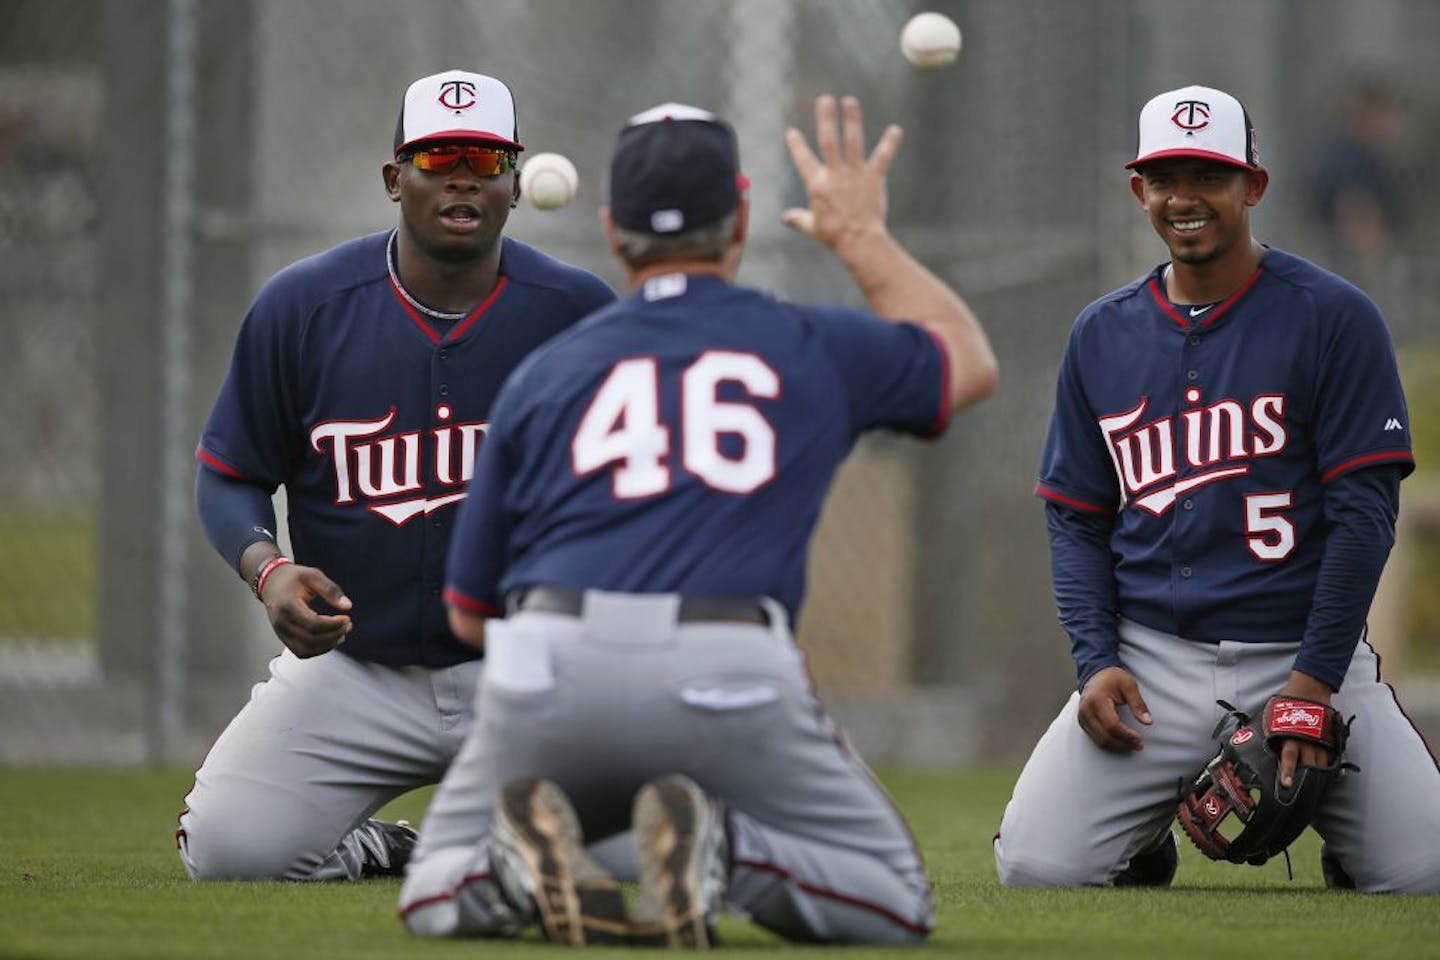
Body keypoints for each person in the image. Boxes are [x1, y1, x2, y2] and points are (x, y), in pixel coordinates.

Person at [397, 96, 997, 946]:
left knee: (430, 894)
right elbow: (967, 361)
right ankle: (729, 852)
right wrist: (859, 236)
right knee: (895, 898)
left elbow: (468, 613)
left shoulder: (546, 371)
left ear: (612, 228)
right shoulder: (805, 342)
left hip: (550, 659)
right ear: (742, 215)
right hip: (729, 663)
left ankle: (508, 871)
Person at [994, 84, 1440, 892]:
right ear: (1140, 192)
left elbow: (1365, 517)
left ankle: (1353, 840)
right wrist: (1096, 662)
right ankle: (1139, 842)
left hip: (1304, 649)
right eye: (1165, 178)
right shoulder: (1103, 332)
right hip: (1152, 659)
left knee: (1424, 872)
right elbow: (1075, 519)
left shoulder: (1335, 318)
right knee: (1035, 867)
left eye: (1209, 175)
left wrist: (1311, 685)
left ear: (1253, 185)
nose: (1185, 198)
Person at [177, 69, 617, 881]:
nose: (461, 174)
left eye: (485, 159)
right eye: (436, 154)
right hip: (355, 672)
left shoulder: (578, 315)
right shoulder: (304, 307)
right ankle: (382, 847)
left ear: (515, 185)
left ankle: (500, 836)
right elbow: (227, 474)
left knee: (636, 855)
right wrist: (267, 570)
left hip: (526, 672)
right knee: (230, 853)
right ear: (394, 178)